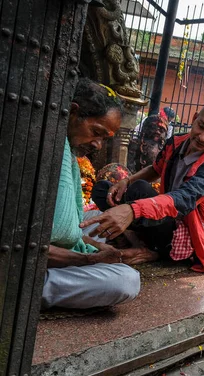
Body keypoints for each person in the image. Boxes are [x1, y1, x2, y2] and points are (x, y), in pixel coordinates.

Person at [85, 102, 204, 273]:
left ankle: (153, 249)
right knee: (104, 189)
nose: (203, 137)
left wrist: (133, 210)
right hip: (160, 215)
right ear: (194, 118)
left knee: (140, 189)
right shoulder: (176, 142)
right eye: (201, 126)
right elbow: (155, 169)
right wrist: (126, 181)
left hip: (180, 231)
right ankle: (140, 241)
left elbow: (180, 201)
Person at [44, 78, 149, 310]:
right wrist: (89, 259)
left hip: (59, 246)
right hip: (26, 267)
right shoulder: (47, 147)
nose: (99, 145)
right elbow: (34, 247)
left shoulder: (68, 151)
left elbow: (67, 228)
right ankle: (37, 291)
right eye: (97, 132)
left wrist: (99, 245)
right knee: (126, 281)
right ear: (73, 113)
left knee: (101, 221)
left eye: (105, 139)